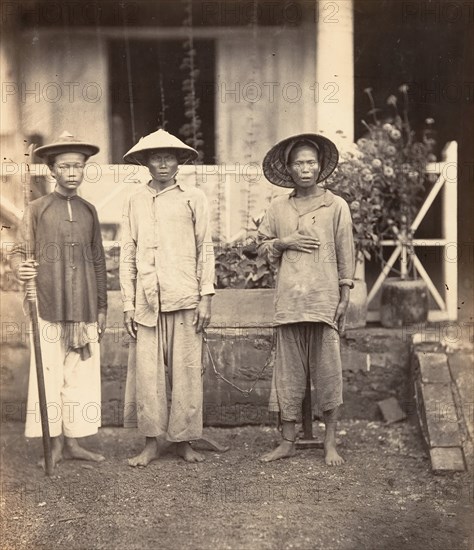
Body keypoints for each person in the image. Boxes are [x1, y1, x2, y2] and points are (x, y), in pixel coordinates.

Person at [10, 131, 107, 468]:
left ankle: (74, 443)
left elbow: (98, 261)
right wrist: (21, 269)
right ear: (52, 170)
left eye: (77, 166)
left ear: (84, 170)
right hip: (48, 304)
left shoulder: (89, 211)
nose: (71, 172)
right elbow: (20, 253)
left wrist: (103, 306)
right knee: (49, 376)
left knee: (79, 378)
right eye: (64, 166)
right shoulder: (37, 210)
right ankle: (53, 445)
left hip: (83, 308)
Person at [257, 133, 354, 465]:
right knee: (287, 376)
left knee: (328, 374)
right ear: (289, 168)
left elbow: (346, 253)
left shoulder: (335, 205)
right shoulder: (278, 208)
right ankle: (286, 441)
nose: (306, 168)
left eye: (311, 161)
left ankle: (330, 443)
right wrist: (286, 242)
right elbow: (260, 247)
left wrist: (344, 295)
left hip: (323, 301)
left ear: (321, 166)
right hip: (290, 303)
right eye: (298, 162)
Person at [120, 129, 215, 466]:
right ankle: (151, 443)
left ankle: (185, 441)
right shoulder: (135, 199)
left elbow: (205, 248)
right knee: (147, 375)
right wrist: (128, 303)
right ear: (145, 162)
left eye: (169, 156)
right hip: (147, 301)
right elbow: (128, 251)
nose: (162, 162)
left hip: (185, 296)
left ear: (179, 161)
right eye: (156, 157)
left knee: (187, 373)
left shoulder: (194, 198)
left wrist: (206, 295)